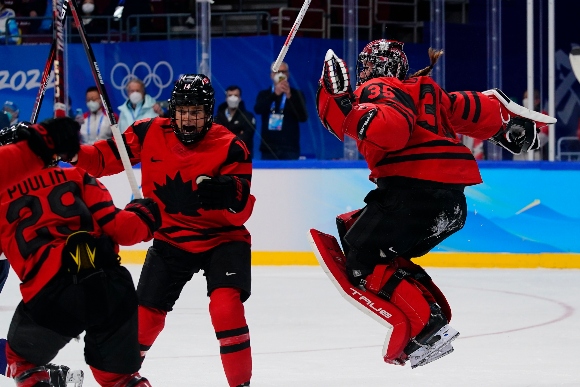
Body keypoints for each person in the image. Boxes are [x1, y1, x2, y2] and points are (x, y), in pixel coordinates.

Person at [315, 40, 555, 368]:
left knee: (362, 257)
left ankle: (426, 325)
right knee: (367, 238)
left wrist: (345, 107)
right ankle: (430, 309)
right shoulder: (427, 91)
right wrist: (506, 125)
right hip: (452, 204)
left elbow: (392, 130)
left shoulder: (377, 88)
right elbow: (473, 107)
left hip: (412, 191)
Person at [71, 74, 255, 387]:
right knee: (143, 322)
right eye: (182, 111)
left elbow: (243, 209)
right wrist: (70, 151)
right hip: (170, 240)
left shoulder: (231, 146)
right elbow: (102, 159)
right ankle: (122, 379)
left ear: (208, 113)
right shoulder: (148, 132)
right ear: (172, 110)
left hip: (222, 240)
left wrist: (231, 195)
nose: (187, 119)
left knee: (226, 309)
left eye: (195, 112)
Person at [0, 117, 159, 387]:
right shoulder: (78, 177)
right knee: (120, 378)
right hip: (110, 284)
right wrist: (144, 213)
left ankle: (35, 377)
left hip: (51, 293)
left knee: (21, 362)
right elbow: (126, 229)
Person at [253, 61, 308, 160]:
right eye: (277, 72)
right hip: (269, 148)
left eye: (283, 72)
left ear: (288, 74)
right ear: (271, 75)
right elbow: (258, 109)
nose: (281, 75)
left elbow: (303, 117)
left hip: (290, 148)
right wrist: (275, 94)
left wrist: (289, 96)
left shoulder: (297, 94)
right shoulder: (264, 94)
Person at [214, 85, 256, 158]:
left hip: (242, 157)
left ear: (240, 98)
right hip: (222, 157)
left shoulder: (248, 117)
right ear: (226, 98)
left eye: (236, 95)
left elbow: (246, 137)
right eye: (230, 95)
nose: (233, 98)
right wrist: (237, 133)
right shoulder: (218, 117)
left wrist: (226, 137)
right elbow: (216, 136)